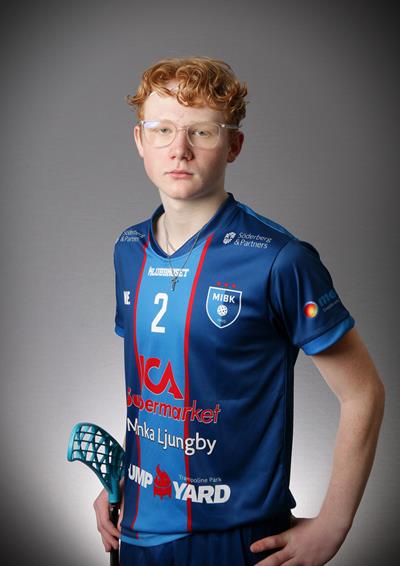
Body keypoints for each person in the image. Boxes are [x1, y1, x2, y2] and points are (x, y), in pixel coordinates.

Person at [93, 56, 385, 566]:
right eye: (162, 130)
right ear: (140, 140)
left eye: (202, 131)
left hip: (237, 539)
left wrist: (334, 525)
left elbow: (364, 393)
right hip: (136, 528)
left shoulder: (279, 259)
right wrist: (123, 481)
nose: (179, 149)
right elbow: (152, 393)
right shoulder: (129, 248)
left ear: (233, 145)